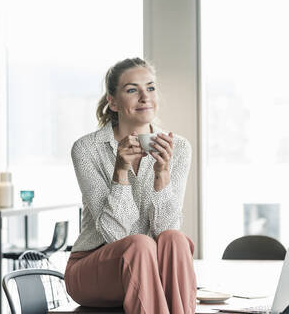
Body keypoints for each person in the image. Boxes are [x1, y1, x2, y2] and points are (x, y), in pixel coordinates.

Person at [64, 57, 196, 314]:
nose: (145, 97)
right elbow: (116, 235)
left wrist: (162, 174)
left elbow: (166, 229)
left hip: (151, 269)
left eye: (151, 88)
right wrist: (120, 172)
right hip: (93, 269)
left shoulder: (178, 148)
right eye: (132, 90)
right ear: (113, 102)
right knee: (139, 244)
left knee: (175, 239)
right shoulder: (86, 149)